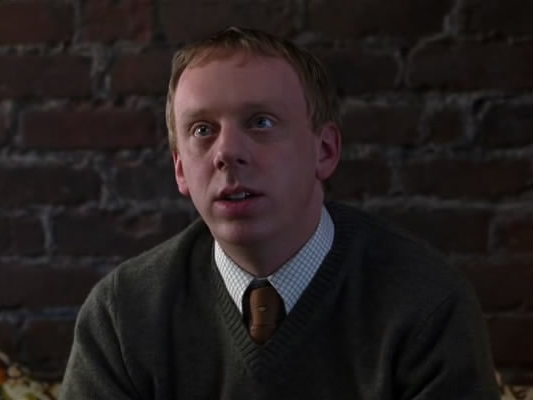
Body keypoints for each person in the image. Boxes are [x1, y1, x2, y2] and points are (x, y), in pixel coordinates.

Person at [59, 27, 500, 399]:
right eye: (202, 130)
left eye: (261, 122)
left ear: (324, 151)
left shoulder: (425, 303)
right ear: (180, 169)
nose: (227, 152)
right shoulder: (122, 313)